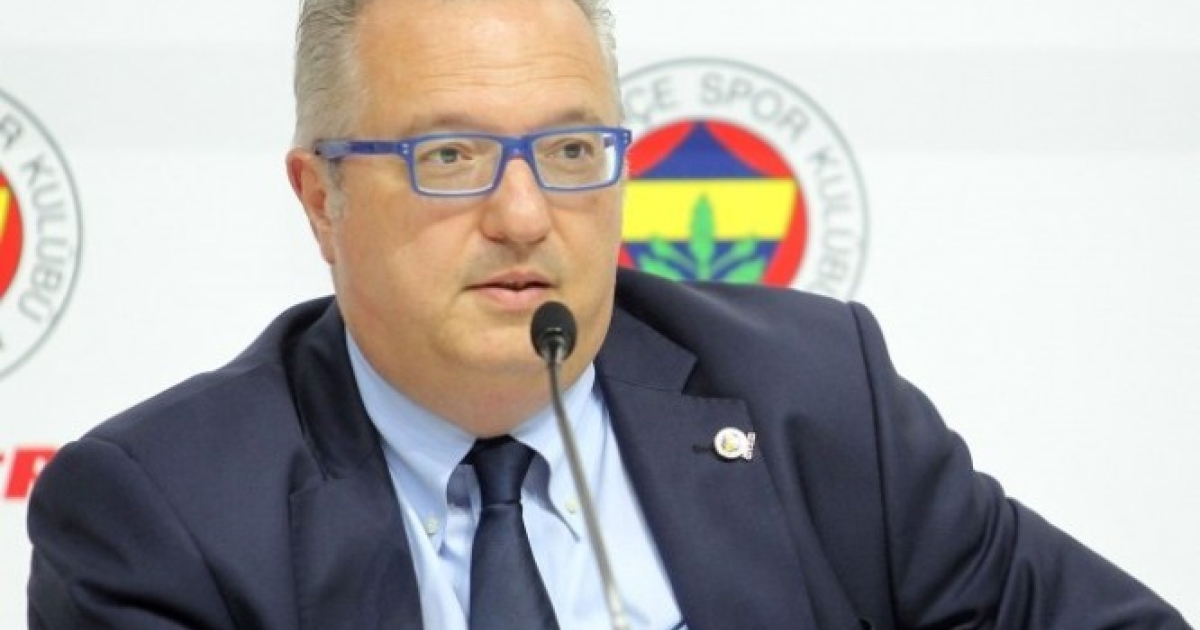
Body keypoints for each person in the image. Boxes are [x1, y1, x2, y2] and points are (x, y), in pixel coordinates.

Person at [26, 0, 1192, 628]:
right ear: (321, 196)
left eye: (573, 151)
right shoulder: (161, 516)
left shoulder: (817, 404)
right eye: (451, 156)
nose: (525, 216)